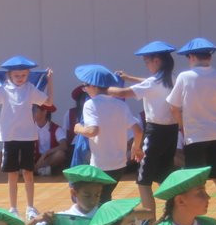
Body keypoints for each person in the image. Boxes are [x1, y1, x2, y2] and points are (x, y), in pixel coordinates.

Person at [166, 39, 216, 218]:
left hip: (195, 135)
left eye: (188, 57)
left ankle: (196, 213)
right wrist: (210, 106)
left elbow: (173, 106)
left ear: (193, 56)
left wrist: (181, 125)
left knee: (194, 178)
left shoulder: (185, 77)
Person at [0, 55, 54, 220]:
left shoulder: (30, 89)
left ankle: (30, 206)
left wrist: (50, 81)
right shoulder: (4, 89)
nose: (20, 79)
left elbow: (49, 102)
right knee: (12, 173)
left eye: (24, 75)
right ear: (9, 75)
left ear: (28, 75)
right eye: (17, 76)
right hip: (10, 136)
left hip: (28, 136)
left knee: (28, 172)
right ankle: (13, 207)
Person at [110, 41, 178, 215]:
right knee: (165, 174)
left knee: (143, 179)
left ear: (157, 61)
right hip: (171, 132)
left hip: (155, 132)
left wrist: (102, 88)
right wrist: (129, 78)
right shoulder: (171, 78)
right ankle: (174, 211)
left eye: (147, 61)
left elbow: (123, 93)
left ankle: (150, 217)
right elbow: (148, 82)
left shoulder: (153, 83)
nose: (146, 64)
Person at [72, 64, 141, 203]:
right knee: (104, 198)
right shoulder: (121, 105)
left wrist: (78, 128)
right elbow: (138, 130)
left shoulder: (90, 104)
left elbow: (92, 131)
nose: (85, 90)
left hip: (100, 164)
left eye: (85, 86)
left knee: (97, 201)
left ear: (94, 86)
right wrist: (136, 147)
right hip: (120, 164)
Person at [31, 104, 68, 176]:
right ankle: (40, 170)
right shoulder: (30, 128)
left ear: (44, 112)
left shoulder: (56, 128)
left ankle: (34, 170)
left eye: (35, 110)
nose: (32, 112)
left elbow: (64, 146)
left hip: (48, 159)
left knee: (60, 154)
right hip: (33, 159)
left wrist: (46, 153)